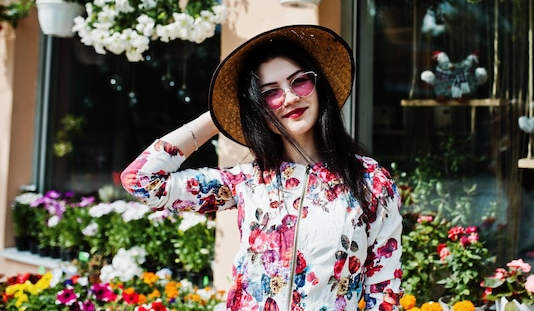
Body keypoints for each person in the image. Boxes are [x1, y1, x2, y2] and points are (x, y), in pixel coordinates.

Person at [120, 24, 404, 311]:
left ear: (319, 87)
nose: (290, 98)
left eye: (299, 81)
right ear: (258, 108)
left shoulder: (371, 180)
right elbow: (142, 181)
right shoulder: (246, 181)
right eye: (270, 93)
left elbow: (383, 292)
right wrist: (217, 116)